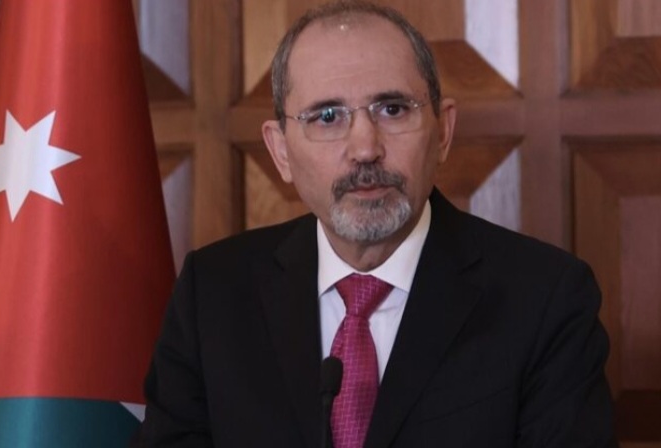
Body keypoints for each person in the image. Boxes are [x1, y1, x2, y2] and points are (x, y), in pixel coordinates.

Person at [139, 1, 617, 447]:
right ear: (280, 150)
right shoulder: (212, 294)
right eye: (327, 116)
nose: (365, 148)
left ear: (443, 131)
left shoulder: (546, 299)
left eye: (393, 109)